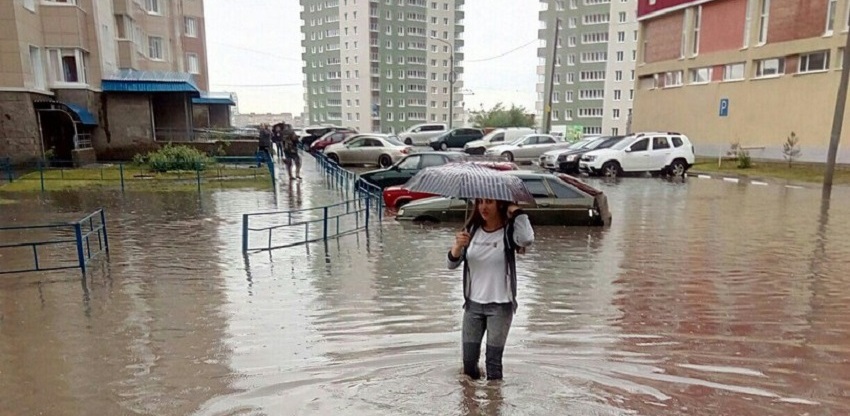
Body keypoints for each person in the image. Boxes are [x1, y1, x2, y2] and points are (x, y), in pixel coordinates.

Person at [447, 198, 534, 381]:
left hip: (500, 307)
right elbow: (451, 264)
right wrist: (457, 246)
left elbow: (527, 239)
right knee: (469, 364)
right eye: (480, 202)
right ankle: (471, 405)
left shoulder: (509, 232)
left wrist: (516, 211)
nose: (483, 207)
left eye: (489, 202)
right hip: (472, 307)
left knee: (493, 364)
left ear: (499, 205)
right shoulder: (472, 230)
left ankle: (494, 404)